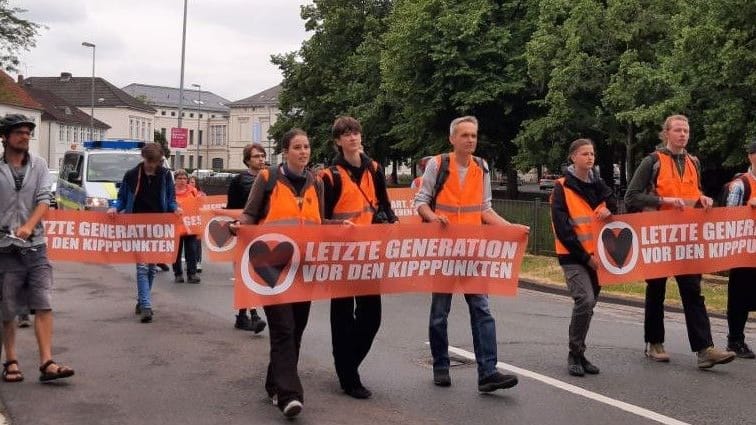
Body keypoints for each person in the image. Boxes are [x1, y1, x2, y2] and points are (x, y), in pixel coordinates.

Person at [229, 129, 341, 418]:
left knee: (296, 330)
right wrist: (241, 226)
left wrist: (339, 227)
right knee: (283, 329)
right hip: (272, 267)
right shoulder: (268, 179)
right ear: (285, 151)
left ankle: (274, 383)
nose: (303, 152)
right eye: (297, 147)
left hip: (304, 267)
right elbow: (250, 214)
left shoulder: (316, 182)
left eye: (307, 147)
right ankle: (289, 395)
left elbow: (318, 220)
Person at [414, 115, 528, 392]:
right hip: (444, 251)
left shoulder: (482, 167)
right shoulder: (438, 164)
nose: (470, 140)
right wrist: (432, 217)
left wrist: (510, 228)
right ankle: (441, 364)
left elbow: (484, 209)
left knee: (482, 310)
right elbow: (421, 202)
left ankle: (488, 372)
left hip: (472, 251)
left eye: (474, 135)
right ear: (452, 139)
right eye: (464, 135)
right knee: (440, 312)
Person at [625, 114, 735, 368]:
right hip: (659, 237)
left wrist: (703, 199)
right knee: (656, 290)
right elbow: (632, 196)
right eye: (677, 130)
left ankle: (704, 349)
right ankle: (654, 343)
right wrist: (662, 202)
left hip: (686, 238)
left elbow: (692, 192)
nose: (683, 134)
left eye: (686, 130)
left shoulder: (693, 162)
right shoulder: (652, 161)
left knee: (693, 291)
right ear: (666, 134)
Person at [321, 116, 398, 399]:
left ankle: (346, 364)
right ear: (338, 142)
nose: (353, 137)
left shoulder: (375, 168)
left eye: (355, 132)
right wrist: (337, 229)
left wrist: (391, 222)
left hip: (368, 255)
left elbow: (385, 206)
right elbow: (320, 219)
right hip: (341, 256)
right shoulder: (329, 176)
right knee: (341, 317)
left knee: (371, 317)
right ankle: (349, 377)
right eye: (346, 134)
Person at [0, 113, 74, 382]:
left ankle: (47, 362)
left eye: (28, 132)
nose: (25, 136)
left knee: (44, 304)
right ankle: (11, 361)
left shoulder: (40, 165)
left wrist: (29, 226)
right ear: (5, 137)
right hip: (5, 248)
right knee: (7, 309)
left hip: (35, 246)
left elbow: (45, 198)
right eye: (19, 132)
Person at [551, 139, 617, 376]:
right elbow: (563, 229)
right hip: (573, 256)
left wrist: (611, 208)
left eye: (592, 153)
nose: (590, 158)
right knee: (585, 300)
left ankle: (579, 353)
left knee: (589, 307)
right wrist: (585, 257)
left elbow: (612, 203)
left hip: (597, 255)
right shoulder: (562, 187)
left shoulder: (598, 183)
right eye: (584, 154)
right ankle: (574, 353)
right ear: (573, 158)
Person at [108, 143, 179, 323]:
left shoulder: (164, 175)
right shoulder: (131, 176)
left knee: (151, 267)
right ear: (144, 158)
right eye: (149, 161)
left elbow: (170, 198)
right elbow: (122, 198)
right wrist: (115, 208)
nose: (152, 165)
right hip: (137, 225)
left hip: (157, 226)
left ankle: (141, 301)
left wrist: (175, 208)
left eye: (155, 162)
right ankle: (147, 306)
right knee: (141, 266)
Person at [227, 143, 267, 334]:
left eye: (262, 156)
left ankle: (242, 316)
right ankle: (254, 314)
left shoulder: (271, 178)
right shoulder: (239, 181)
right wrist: (236, 225)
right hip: (244, 232)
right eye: (256, 156)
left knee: (253, 275)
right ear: (247, 160)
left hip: (264, 233)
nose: (261, 159)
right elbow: (232, 208)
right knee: (246, 273)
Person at [723, 140, 756, 359]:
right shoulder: (741, 184)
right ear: (750, 157)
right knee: (740, 297)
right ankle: (735, 340)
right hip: (744, 252)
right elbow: (727, 217)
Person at [172, 169, 201, 284]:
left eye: (184, 178)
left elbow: (198, 205)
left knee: (192, 251)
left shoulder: (193, 191)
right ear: (175, 180)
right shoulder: (171, 192)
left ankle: (192, 274)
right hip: (176, 226)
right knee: (176, 252)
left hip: (190, 225)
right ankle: (178, 274)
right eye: (179, 178)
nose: (182, 181)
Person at [188, 175, 205, 273]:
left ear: (196, 184)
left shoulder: (201, 194)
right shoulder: (185, 193)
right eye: (189, 182)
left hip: (198, 221)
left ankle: (198, 261)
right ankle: (189, 261)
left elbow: (205, 206)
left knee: (197, 243)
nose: (191, 184)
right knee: (189, 243)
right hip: (187, 221)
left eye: (193, 182)